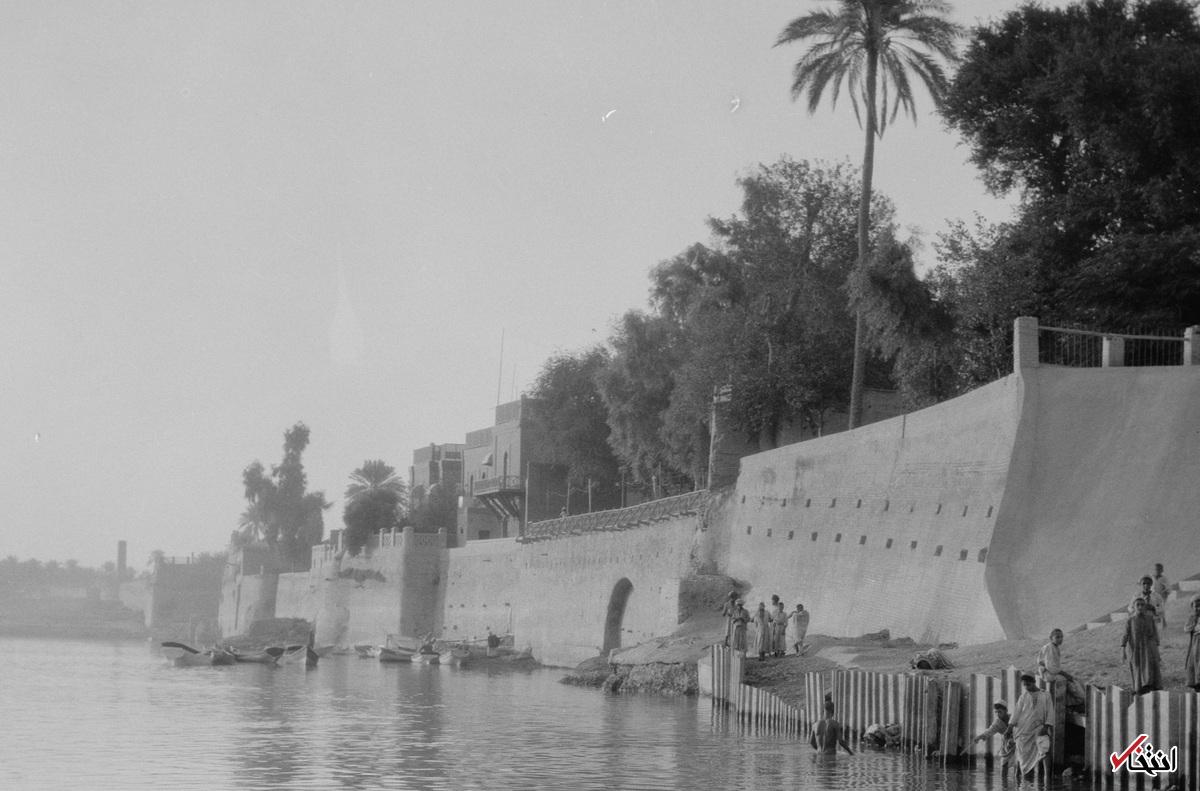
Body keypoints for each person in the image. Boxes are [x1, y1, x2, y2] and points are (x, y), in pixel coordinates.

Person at [1011, 672, 1054, 782]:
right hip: (1024, 730)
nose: (1026, 687)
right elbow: (1016, 713)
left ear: (1034, 682)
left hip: (1040, 728)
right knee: (1023, 756)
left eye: (1028, 684)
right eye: (1024, 685)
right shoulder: (1023, 697)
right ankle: (1024, 782)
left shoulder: (1045, 695)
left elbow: (1050, 711)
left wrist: (1046, 727)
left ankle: (1047, 779)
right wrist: (1009, 728)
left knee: (1045, 749)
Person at [1121, 597, 1162, 694]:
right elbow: (1125, 635)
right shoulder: (1130, 620)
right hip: (1136, 649)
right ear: (1134, 607)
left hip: (1149, 648)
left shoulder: (1150, 619)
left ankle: (1151, 688)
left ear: (1145, 607)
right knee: (1137, 668)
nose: (1140, 607)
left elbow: (1155, 633)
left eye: (1142, 605)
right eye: (1138, 605)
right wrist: (1123, 650)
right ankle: (1139, 690)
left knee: (1150, 667)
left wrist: (1156, 649)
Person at [1037, 628, 1085, 708]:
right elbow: (1051, 667)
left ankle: (1075, 701)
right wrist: (1065, 674)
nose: (1060, 639)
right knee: (1070, 681)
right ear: (1051, 638)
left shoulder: (1054, 647)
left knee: (1074, 679)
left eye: (1061, 637)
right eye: (1057, 637)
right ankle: (1075, 702)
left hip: (1050, 672)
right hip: (1048, 674)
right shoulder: (1050, 648)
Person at [968, 701, 1014, 779]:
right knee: (1004, 764)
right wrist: (979, 737)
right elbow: (990, 731)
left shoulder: (1013, 718)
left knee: (1019, 764)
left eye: (1000, 712)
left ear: (1006, 711)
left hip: (1017, 742)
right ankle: (1004, 782)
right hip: (1006, 744)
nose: (998, 714)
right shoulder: (997, 722)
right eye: (996, 712)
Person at [1185, 594, 1200, 691]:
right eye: (1196, 606)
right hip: (1195, 646)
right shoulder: (1192, 617)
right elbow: (1186, 628)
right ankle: (1196, 684)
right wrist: (1194, 627)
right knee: (1195, 663)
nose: (1199, 608)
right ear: (1192, 607)